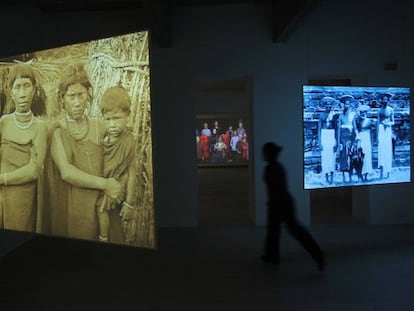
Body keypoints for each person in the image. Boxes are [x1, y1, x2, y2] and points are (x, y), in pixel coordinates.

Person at [48, 63, 123, 241]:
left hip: (101, 207)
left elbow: (121, 147)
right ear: (62, 99)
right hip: (74, 210)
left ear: (87, 96)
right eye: (71, 96)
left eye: (80, 95)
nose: (77, 102)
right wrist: (106, 184)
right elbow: (66, 172)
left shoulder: (99, 125)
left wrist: (115, 184)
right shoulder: (57, 131)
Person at [261, 142, 325, 270]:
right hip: (283, 203)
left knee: (285, 232)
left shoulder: (271, 169)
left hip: (279, 205)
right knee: (278, 232)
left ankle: (318, 255)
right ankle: (272, 256)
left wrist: (273, 205)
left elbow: (275, 190)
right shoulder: (278, 167)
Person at [0, 63, 48, 233]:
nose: (22, 94)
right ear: (10, 92)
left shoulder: (40, 127)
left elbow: (33, 170)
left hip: (23, 201)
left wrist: (2, 178)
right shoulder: (3, 123)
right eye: (17, 87)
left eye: (27, 86)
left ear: (34, 90)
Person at [95, 86, 137, 243]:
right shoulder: (99, 139)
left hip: (117, 196)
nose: (112, 124)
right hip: (97, 190)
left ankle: (104, 238)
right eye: (108, 119)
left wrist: (129, 203)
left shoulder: (128, 141)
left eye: (117, 118)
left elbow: (132, 173)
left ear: (128, 116)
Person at [318, 96, 337, 184]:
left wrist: (336, 141)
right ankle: (326, 177)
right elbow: (319, 129)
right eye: (327, 105)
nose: (329, 107)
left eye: (330, 105)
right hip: (324, 135)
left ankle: (332, 178)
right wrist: (320, 142)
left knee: (332, 156)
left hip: (331, 134)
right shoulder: (322, 115)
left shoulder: (334, 115)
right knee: (325, 157)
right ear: (325, 106)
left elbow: (336, 129)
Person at [353, 104, 375, 181]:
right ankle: (360, 174)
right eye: (361, 113)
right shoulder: (358, 121)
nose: (363, 114)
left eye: (364, 113)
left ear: (366, 113)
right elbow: (355, 129)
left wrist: (372, 144)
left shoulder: (369, 121)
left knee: (367, 157)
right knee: (360, 157)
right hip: (360, 138)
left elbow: (372, 133)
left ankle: (366, 174)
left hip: (367, 139)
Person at [376, 92, 394, 179]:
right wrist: (377, 135)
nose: (385, 101)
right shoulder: (379, 110)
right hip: (381, 129)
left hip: (388, 129)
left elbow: (393, 121)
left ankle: (388, 173)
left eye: (386, 100)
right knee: (381, 150)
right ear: (381, 101)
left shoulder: (391, 110)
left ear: (388, 101)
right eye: (383, 100)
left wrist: (389, 124)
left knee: (388, 150)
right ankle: (381, 173)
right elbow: (377, 122)